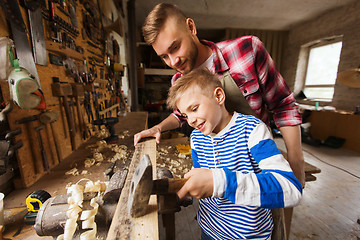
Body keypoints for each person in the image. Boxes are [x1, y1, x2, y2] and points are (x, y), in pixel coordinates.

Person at [133, 3, 305, 191]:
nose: (173, 61)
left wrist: (296, 160)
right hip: (215, 178)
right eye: (164, 56)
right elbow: (180, 115)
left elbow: (283, 104)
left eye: (175, 47)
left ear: (191, 28)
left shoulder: (247, 50)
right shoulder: (178, 80)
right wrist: (158, 128)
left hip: (261, 171)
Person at [166, 68, 302, 240]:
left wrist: (221, 182)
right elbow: (201, 175)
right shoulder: (197, 138)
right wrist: (188, 190)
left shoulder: (251, 130)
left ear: (219, 97)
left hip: (247, 235)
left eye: (194, 109)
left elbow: (290, 189)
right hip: (209, 229)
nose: (191, 120)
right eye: (185, 115)